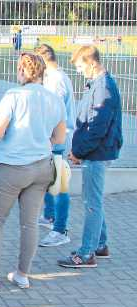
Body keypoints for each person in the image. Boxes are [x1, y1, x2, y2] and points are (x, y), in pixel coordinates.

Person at [0, 53, 66, 291]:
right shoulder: (54, 99)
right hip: (42, 166)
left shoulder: (14, 95)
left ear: (21, 71)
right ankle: (22, 274)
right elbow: (59, 138)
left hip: (12, 166)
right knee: (30, 223)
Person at [57, 46, 122, 269]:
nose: (79, 71)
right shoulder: (98, 84)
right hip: (95, 151)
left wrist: (79, 152)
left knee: (91, 202)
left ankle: (87, 254)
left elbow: (96, 127)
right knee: (93, 199)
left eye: (80, 66)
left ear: (92, 63)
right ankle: (100, 244)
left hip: (96, 153)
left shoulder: (103, 88)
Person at [34, 44, 76, 248]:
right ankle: (49, 216)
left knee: (60, 185)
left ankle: (61, 229)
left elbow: (55, 112)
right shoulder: (53, 78)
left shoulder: (57, 80)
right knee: (51, 181)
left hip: (58, 139)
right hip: (52, 140)